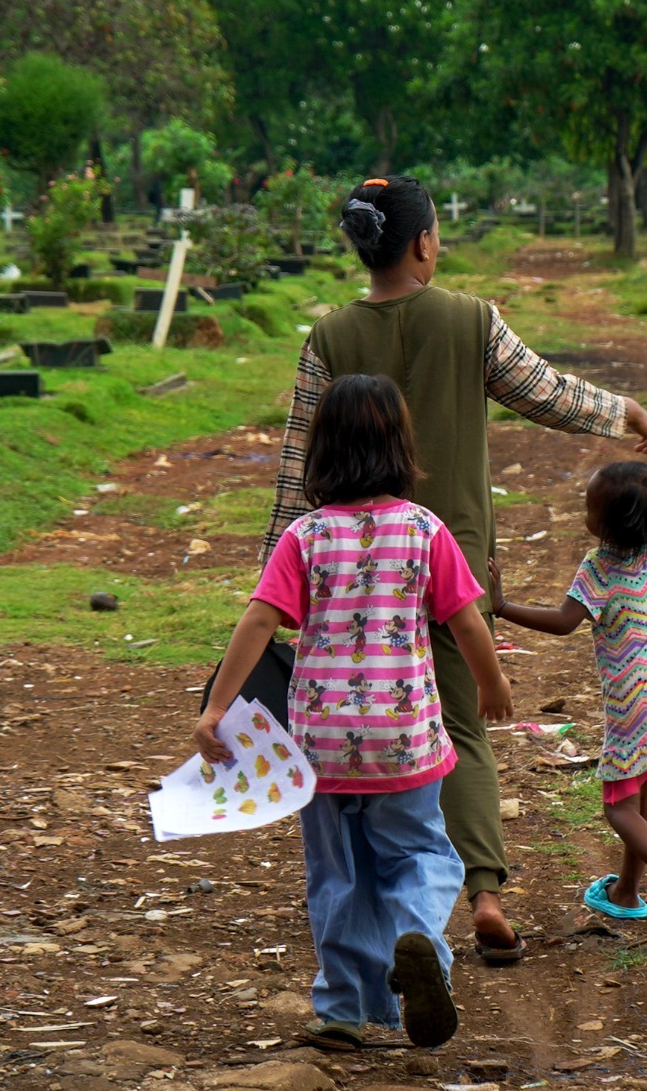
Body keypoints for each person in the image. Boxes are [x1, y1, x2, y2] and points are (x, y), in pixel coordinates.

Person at [264, 174, 647, 963]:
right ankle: (485, 894)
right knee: (460, 727)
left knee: (364, 720)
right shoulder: (471, 319)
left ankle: (375, 896)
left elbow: (293, 467)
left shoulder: (328, 338)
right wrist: (626, 413)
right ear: (422, 243)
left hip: (347, 571)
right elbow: (547, 393)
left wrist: (280, 585)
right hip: (450, 556)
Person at [203, 373, 512, 1051]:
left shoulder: (305, 536)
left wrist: (217, 707)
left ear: (322, 451)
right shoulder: (425, 529)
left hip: (321, 742)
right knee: (420, 852)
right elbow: (466, 619)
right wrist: (491, 684)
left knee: (337, 874)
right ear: (401, 447)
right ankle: (418, 938)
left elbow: (259, 620)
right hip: (403, 738)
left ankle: (343, 1008)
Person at [486, 419, 647, 940]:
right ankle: (626, 892)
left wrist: (502, 606)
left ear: (606, 526)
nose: (585, 514)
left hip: (635, 705)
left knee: (617, 806)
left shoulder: (600, 567)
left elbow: (563, 622)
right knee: (643, 792)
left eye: (590, 508)